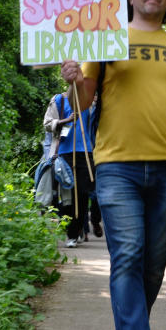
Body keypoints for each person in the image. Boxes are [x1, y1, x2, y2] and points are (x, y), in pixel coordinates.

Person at [60, 0, 166, 330]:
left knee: (153, 265)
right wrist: (74, 79)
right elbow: (82, 102)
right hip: (116, 167)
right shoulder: (104, 37)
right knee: (127, 255)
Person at [43, 93, 100, 248]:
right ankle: (70, 230)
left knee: (82, 194)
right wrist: (65, 121)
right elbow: (47, 123)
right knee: (66, 194)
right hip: (63, 153)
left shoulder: (90, 101)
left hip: (87, 153)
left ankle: (75, 231)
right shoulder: (58, 100)